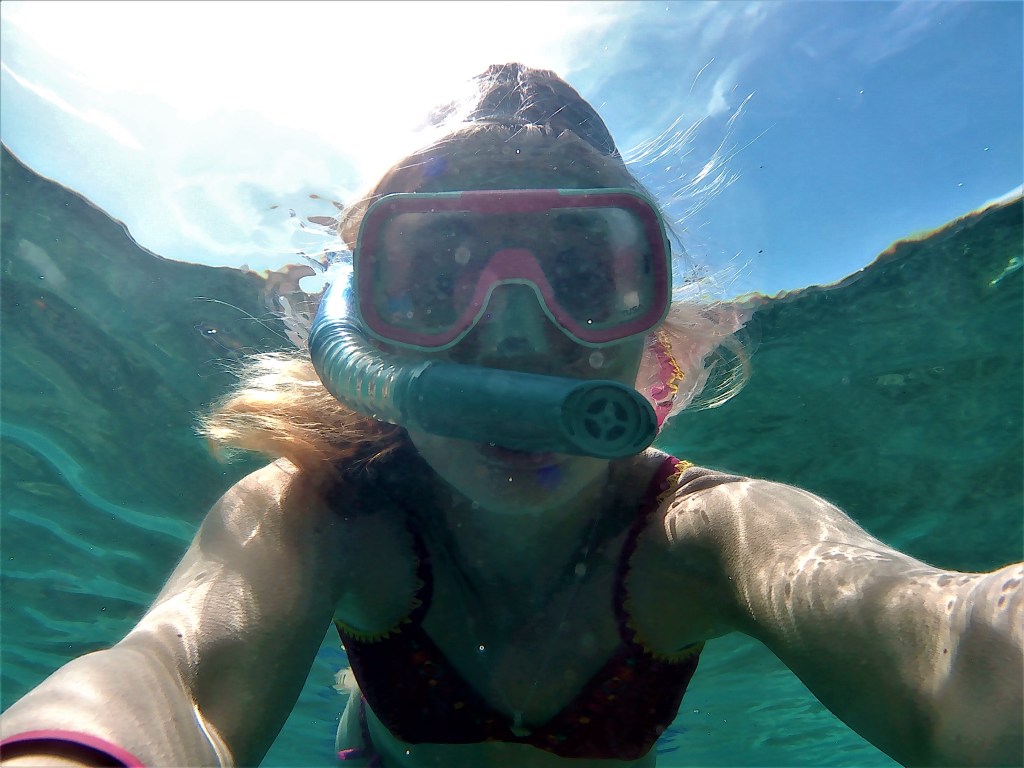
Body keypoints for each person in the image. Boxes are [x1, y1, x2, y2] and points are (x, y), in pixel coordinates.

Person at [1, 63, 1020, 768]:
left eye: (582, 271)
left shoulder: (709, 531)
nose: (517, 340)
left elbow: (951, 647)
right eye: (436, 274)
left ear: (650, 311)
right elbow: (171, 676)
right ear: (357, 321)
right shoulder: (322, 512)